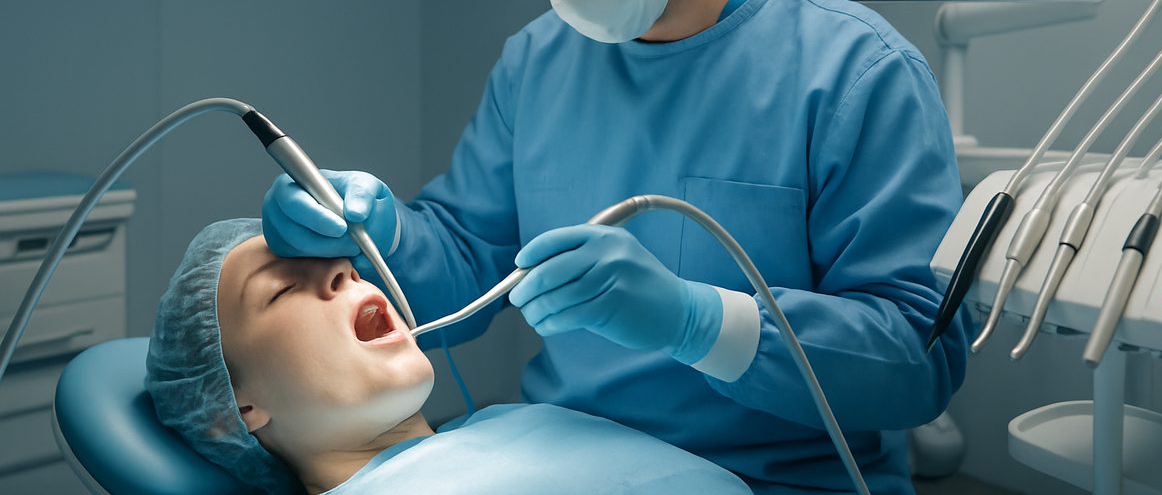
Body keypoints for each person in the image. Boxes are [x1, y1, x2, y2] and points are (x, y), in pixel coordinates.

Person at [262, 0, 970, 494]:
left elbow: (919, 363)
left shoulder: (855, 74)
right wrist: (387, 235)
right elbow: (470, 264)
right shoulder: (536, 64)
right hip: (569, 461)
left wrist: (703, 322)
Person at [145, 218, 755, 494]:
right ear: (236, 409)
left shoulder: (523, 421)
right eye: (280, 289)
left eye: (345, 265)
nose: (339, 273)